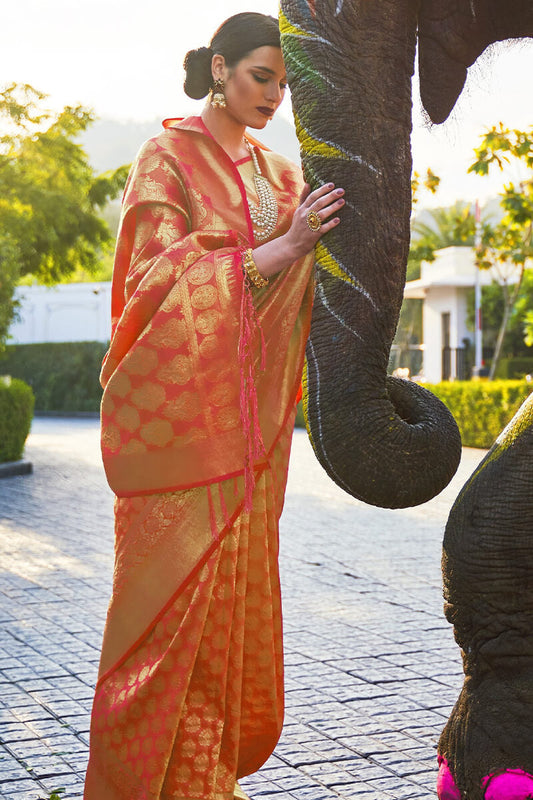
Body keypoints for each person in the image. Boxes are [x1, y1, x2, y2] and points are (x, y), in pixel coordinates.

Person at [84, 12, 344, 800]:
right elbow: (148, 288)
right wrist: (279, 250)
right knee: (158, 631)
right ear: (220, 68)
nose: (272, 96)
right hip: (180, 436)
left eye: (283, 84)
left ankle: (203, 786)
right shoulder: (165, 159)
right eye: (260, 77)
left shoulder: (280, 178)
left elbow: (306, 294)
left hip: (249, 443)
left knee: (224, 627)